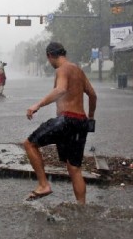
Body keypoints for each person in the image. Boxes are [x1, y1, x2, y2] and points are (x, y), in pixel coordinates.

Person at [23, 42, 96, 204]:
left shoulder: (62, 69)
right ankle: (82, 207)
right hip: (81, 122)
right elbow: (92, 95)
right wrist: (90, 117)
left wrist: (38, 105)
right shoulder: (78, 71)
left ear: (50, 55)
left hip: (66, 120)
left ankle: (43, 185)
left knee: (29, 144)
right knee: (74, 168)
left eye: (48, 58)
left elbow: (61, 90)